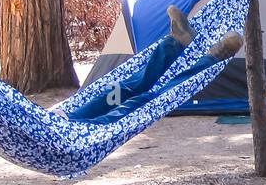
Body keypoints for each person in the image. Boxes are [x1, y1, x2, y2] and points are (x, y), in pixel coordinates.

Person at [65, 7, 242, 124]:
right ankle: (211, 59)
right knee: (147, 101)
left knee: (121, 90)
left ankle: (175, 43)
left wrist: (56, 118)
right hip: (78, 136)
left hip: (60, 122)